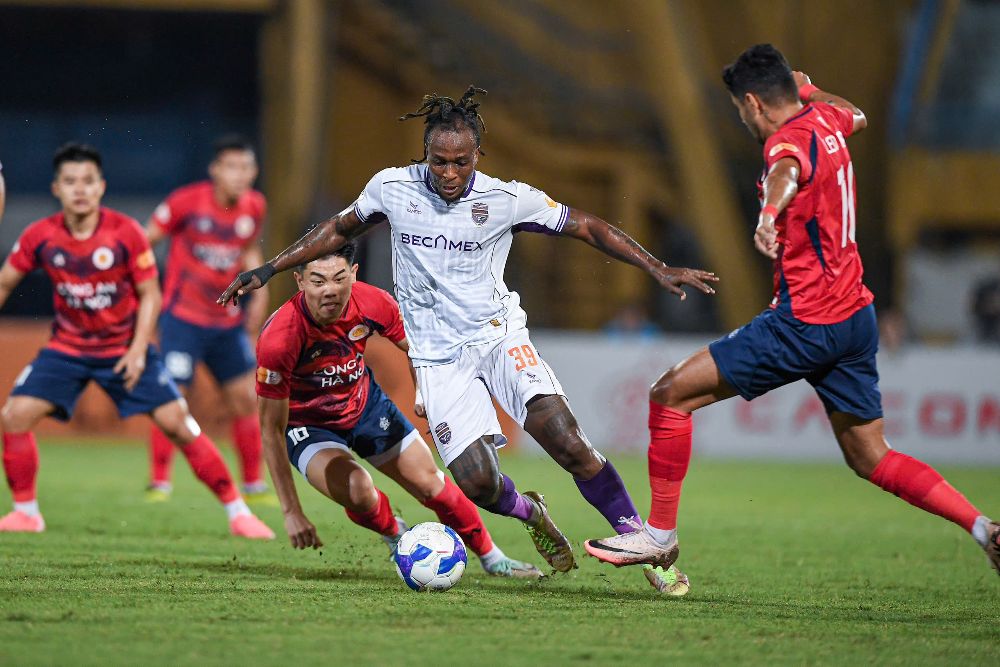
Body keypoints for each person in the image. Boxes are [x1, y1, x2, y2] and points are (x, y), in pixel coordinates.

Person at [221, 86, 711, 594]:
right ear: (425, 155)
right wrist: (270, 268)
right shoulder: (392, 189)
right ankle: (533, 515)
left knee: (568, 443)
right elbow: (336, 228)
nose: (450, 174)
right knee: (478, 484)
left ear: (478, 155)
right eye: (439, 162)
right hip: (436, 359)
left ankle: (650, 552)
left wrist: (655, 267)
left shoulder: (507, 198)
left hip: (499, 338)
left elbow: (585, 226)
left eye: (461, 162)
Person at [583, 44, 1000, 578]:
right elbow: (858, 112)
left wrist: (769, 212)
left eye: (739, 109)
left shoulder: (786, 140)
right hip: (855, 317)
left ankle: (658, 537)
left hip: (806, 322)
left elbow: (785, 170)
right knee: (871, 456)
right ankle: (983, 527)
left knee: (670, 396)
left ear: (754, 102)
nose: (742, 119)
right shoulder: (825, 117)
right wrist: (810, 89)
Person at [0, 143, 273, 539]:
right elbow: (6, 281)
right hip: (66, 350)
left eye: (88, 181)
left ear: (101, 187)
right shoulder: (40, 236)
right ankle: (26, 513)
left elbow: (150, 294)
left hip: (122, 351)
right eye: (70, 181)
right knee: (14, 416)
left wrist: (136, 348)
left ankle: (238, 510)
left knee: (180, 424)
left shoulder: (126, 233)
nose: (80, 189)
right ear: (56, 188)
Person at [256, 245, 541, 578]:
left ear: (354, 274)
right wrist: (291, 511)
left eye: (339, 278)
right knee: (359, 490)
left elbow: (416, 350)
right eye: (318, 281)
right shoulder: (280, 339)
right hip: (310, 427)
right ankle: (395, 534)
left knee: (432, 484)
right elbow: (270, 429)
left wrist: (424, 395)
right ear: (299, 281)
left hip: (366, 406)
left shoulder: (374, 302)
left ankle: (493, 558)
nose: (330, 290)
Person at [144, 135, 273, 504]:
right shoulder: (186, 202)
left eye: (245, 167)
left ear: (254, 172)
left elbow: (247, 250)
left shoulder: (255, 206)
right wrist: (139, 287)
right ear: (215, 170)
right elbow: (144, 241)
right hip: (182, 319)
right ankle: (159, 482)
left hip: (226, 323)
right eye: (231, 167)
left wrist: (258, 293)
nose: (238, 175)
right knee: (171, 398)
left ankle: (253, 484)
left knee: (246, 400)